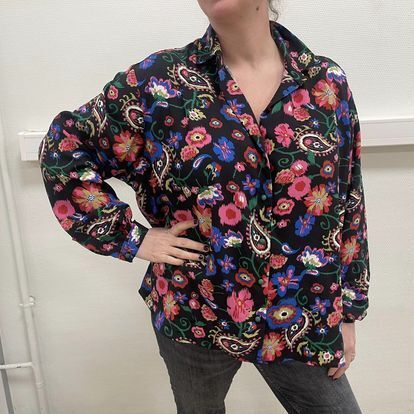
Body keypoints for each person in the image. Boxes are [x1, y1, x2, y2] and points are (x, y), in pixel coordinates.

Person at [38, 0, 371, 412]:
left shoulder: (325, 83)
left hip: (302, 310)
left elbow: (348, 198)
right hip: (196, 306)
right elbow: (66, 147)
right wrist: (133, 238)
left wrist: (349, 310)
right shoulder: (159, 82)